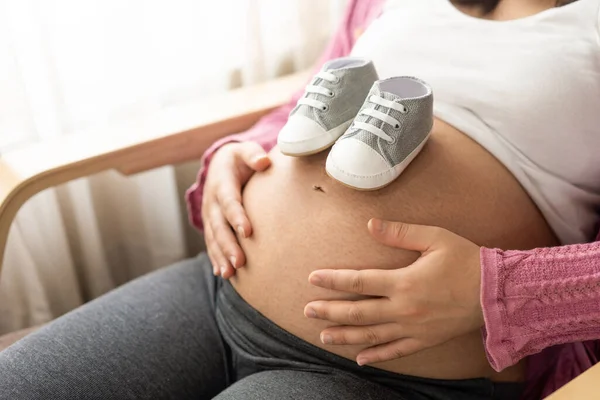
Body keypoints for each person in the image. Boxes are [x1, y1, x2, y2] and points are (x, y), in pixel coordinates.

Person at [1, 1, 598, 399]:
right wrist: (240, 153)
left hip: (387, 374)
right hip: (220, 284)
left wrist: (507, 292)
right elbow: (314, 98)